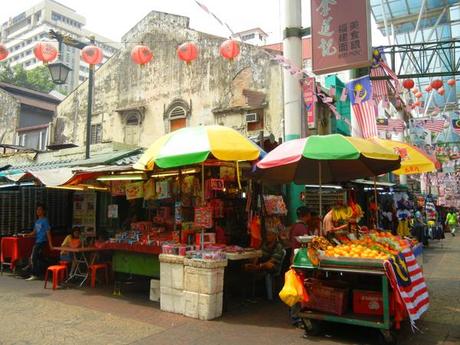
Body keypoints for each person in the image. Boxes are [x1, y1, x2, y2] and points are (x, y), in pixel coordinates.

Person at [24, 204, 53, 281]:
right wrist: (27, 235)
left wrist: (50, 244)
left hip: (42, 241)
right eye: (37, 210)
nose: (38, 211)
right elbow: (34, 232)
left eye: (40, 209)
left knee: (33, 257)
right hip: (38, 240)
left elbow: (48, 232)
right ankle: (50, 267)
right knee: (39, 257)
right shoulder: (37, 221)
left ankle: (35, 274)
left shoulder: (45, 220)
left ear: (43, 211)